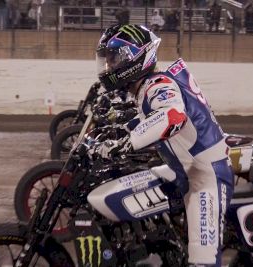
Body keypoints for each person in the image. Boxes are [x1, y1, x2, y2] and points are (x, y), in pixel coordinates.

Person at [94, 24, 234, 266]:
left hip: (205, 177)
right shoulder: (146, 87)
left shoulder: (159, 84)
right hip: (184, 169)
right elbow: (147, 118)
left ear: (135, 58)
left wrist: (126, 143)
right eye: (107, 59)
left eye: (114, 58)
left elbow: (172, 116)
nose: (109, 66)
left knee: (203, 263)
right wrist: (115, 133)